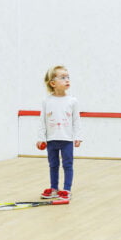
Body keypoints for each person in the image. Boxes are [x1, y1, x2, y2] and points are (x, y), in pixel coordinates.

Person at [36, 65, 81, 200]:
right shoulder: (46, 101)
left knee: (67, 165)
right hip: (51, 140)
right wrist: (41, 138)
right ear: (53, 83)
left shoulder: (73, 101)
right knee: (53, 165)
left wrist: (77, 137)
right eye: (62, 78)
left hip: (67, 140)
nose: (67, 80)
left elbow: (76, 121)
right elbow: (42, 120)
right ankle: (54, 188)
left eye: (68, 77)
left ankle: (66, 190)